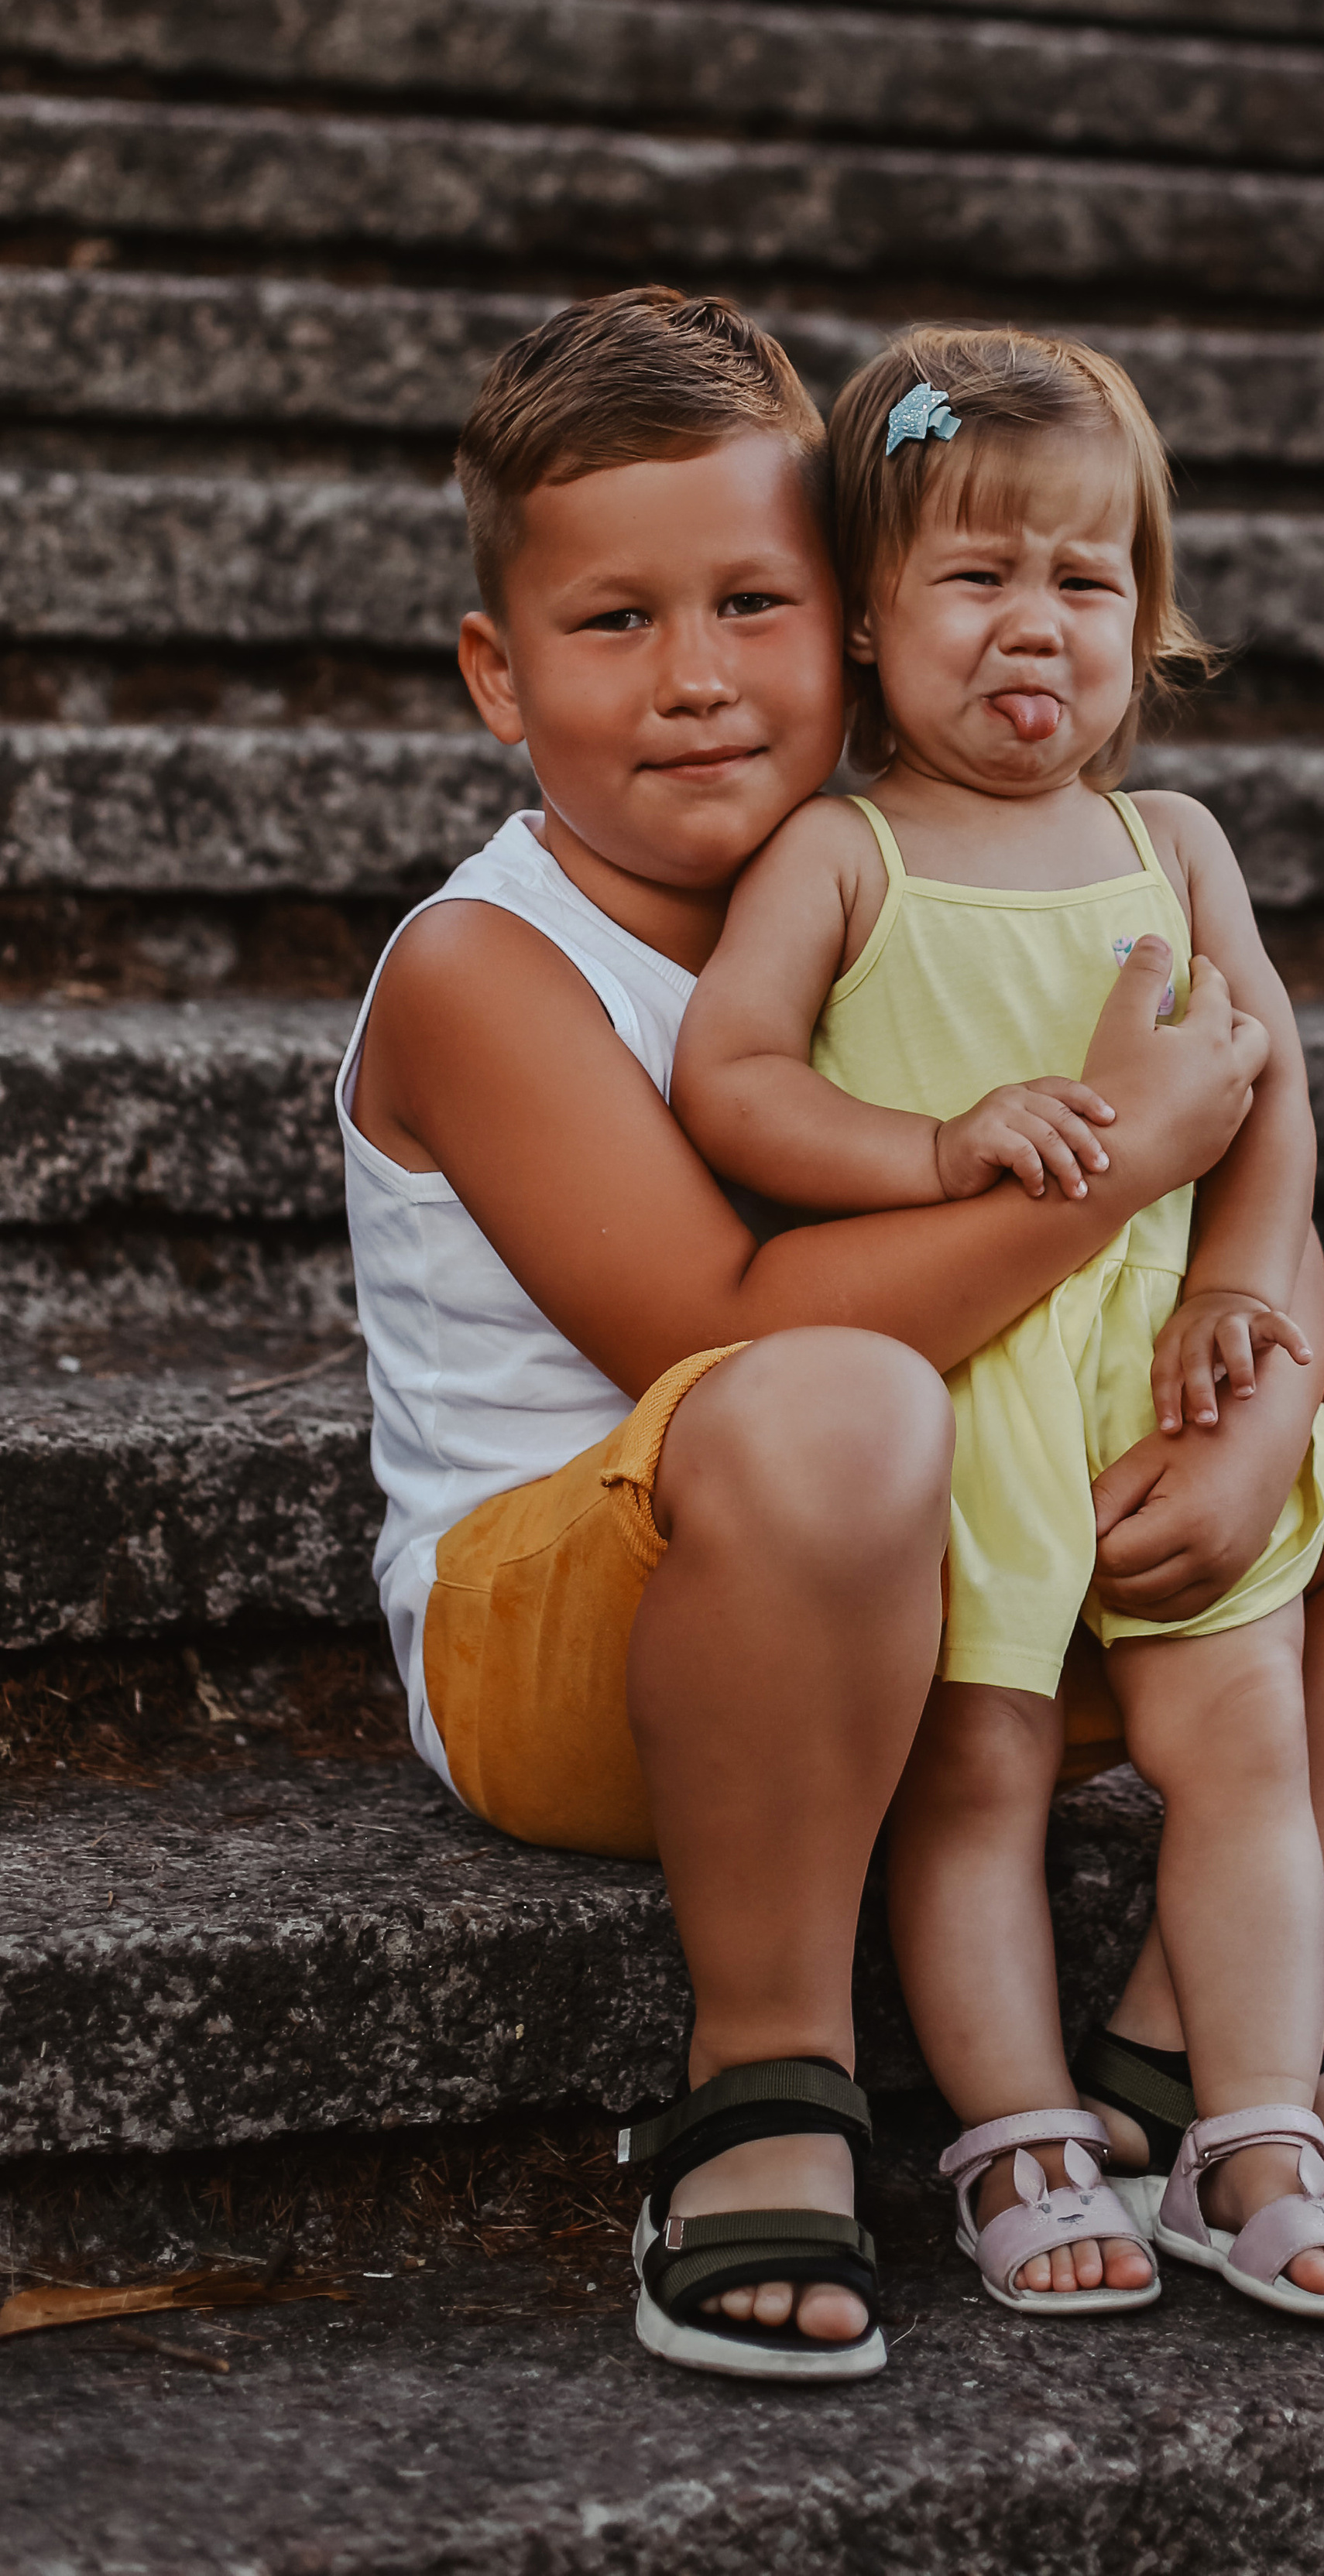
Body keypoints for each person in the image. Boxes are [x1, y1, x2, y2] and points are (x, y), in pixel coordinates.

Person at [334, 288, 1272, 2382]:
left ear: (849, 623)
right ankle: (766, 2074)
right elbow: (726, 1329)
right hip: (568, 1623)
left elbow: (1229, 1164)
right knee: (835, 1395)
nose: (695, 680)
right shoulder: (492, 969)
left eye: (753, 603)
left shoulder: (895, 881)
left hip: (938, 1566)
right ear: (497, 673)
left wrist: (1243, 1367)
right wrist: (1117, 1170)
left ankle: (1193, 2049)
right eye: (613, 625)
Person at [673, 328, 1324, 2323]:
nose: (1034, 625)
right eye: (975, 577)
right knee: (984, 1769)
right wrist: (937, 1145)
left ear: (1148, 620)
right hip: (967, 1376)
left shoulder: (1170, 843)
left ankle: (1257, 2118)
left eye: (1085, 582)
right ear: (863, 619)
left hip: (1160, 1366)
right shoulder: (843, 851)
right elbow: (736, 1080)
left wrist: (1235, 1296)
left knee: (1246, 1742)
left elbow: (1270, 1093)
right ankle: (1019, 2123)